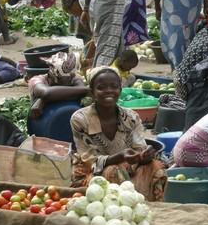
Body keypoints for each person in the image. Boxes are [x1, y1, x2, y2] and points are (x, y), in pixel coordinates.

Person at [70, 68, 166, 201]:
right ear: (92, 92)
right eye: (101, 87)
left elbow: (139, 149)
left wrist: (144, 156)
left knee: (155, 168)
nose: (109, 91)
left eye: (114, 86)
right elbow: (89, 161)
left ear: (120, 90)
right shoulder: (81, 119)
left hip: (127, 168)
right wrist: (120, 157)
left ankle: (151, 207)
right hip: (90, 172)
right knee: (114, 171)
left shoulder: (131, 117)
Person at [28, 51, 88, 120]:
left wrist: (43, 101)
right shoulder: (37, 80)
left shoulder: (73, 77)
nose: (72, 77)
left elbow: (82, 91)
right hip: (44, 121)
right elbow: (47, 93)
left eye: (72, 75)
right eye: (68, 77)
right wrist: (86, 89)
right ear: (56, 76)